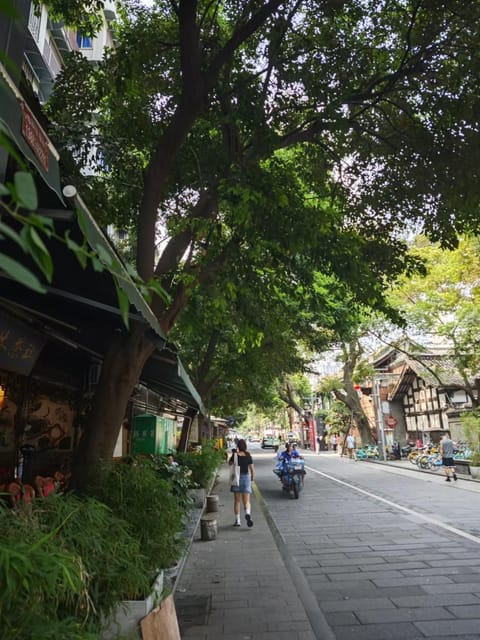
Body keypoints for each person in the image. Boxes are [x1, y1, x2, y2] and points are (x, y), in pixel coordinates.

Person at [229, 439, 255, 527]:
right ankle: (247, 513)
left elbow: (229, 463)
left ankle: (238, 520)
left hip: (236, 478)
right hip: (246, 477)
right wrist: (252, 477)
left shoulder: (235, 455)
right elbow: (252, 468)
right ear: (245, 446)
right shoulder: (248, 455)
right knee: (247, 501)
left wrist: (233, 454)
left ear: (238, 446)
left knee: (237, 501)